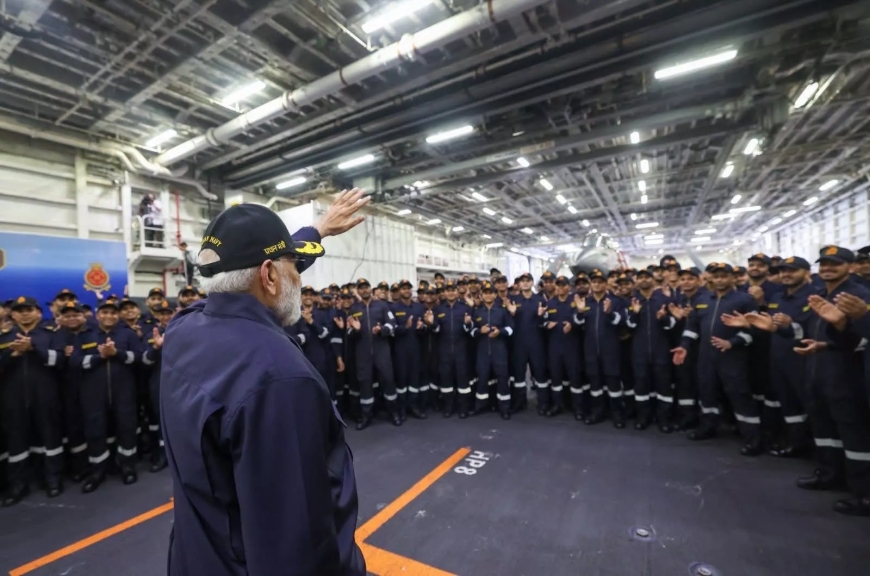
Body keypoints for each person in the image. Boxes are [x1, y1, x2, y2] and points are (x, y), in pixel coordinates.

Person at [159, 189, 369, 576]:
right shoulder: (281, 378)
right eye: (293, 266)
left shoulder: (183, 329)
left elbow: (242, 281)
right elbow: (296, 544)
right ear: (269, 275)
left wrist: (317, 230)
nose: (299, 278)